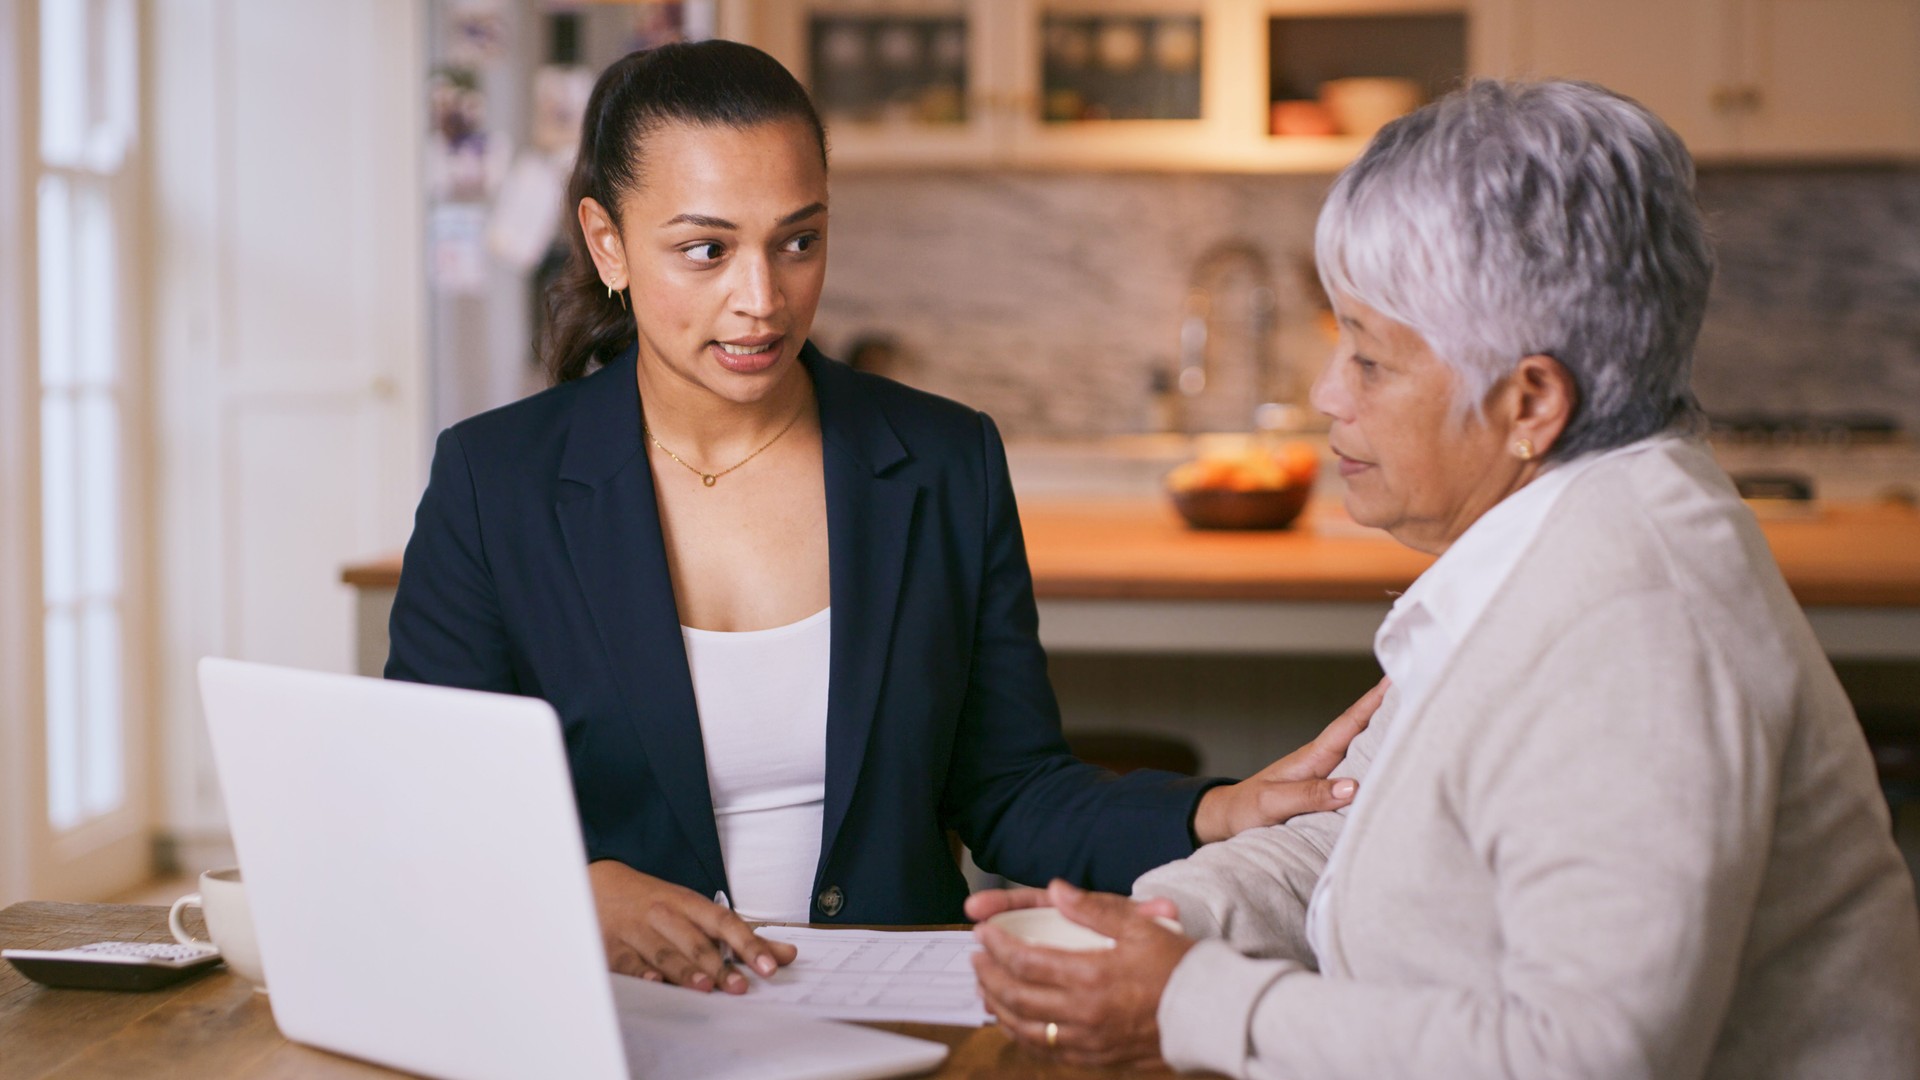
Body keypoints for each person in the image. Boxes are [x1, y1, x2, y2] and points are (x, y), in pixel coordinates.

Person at [967, 79, 1920, 1077]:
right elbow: (1350, 830)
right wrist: (1160, 922)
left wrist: (1191, 1001)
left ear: (1530, 402)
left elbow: (1582, 1058)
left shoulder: (1635, 633)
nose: (1326, 393)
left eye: (1369, 359)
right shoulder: (1547, 541)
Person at [386, 40, 1376, 997]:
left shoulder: (945, 461)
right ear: (609, 243)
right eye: (705, 251)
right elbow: (431, 808)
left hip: (900, 1017)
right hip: (619, 1024)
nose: (762, 300)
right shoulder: (494, 483)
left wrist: (1215, 810)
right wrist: (575, 887)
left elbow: (1010, 790)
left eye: (799, 241)